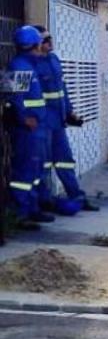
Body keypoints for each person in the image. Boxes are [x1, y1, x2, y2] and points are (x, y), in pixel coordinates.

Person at [36, 30, 99, 212]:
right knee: (44, 163)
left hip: (58, 121)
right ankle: (44, 200)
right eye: (45, 39)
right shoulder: (32, 65)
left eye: (50, 37)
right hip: (42, 122)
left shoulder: (54, 60)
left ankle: (76, 195)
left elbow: (62, 89)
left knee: (65, 160)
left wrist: (70, 112)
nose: (50, 41)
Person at [5, 26, 54, 230]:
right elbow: (15, 97)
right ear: (34, 45)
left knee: (34, 169)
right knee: (25, 171)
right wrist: (25, 118)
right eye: (40, 43)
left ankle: (32, 208)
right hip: (27, 129)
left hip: (36, 126)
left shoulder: (29, 64)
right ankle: (21, 213)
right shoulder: (20, 66)